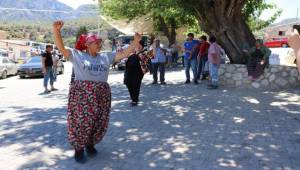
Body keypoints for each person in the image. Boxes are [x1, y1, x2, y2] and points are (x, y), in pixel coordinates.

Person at [53, 20, 141, 163]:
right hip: (83, 94)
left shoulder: (105, 56)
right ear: (87, 45)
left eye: (99, 42)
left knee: (98, 120)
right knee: (81, 121)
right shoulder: (77, 55)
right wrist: (56, 31)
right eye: (96, 42)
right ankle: (79, 149)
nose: (99, 44)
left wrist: (136, 42)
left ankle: (90, 144)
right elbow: (61, 47)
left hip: (101, 93)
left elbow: (124, 53)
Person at [124, 40, 146, 106]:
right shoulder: (133, 53)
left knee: (135, 86)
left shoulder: (144, 53)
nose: (135, 46)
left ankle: (134, 100)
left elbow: (145, 62)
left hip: (137, 73)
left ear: (141, 46)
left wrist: (137, 54)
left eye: (137, 45)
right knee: (128, 83)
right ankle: (134, 98)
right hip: (129, 72)